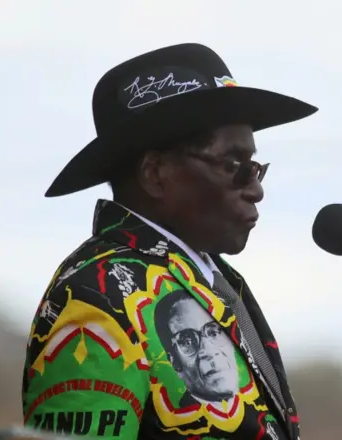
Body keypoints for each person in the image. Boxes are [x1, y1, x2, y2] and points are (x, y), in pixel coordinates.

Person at [22, 43, 318, 440]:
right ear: (156, 173)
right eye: (234, 166)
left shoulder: (213, 279)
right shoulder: (94, 297)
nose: (256, 190)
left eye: (256, 168)